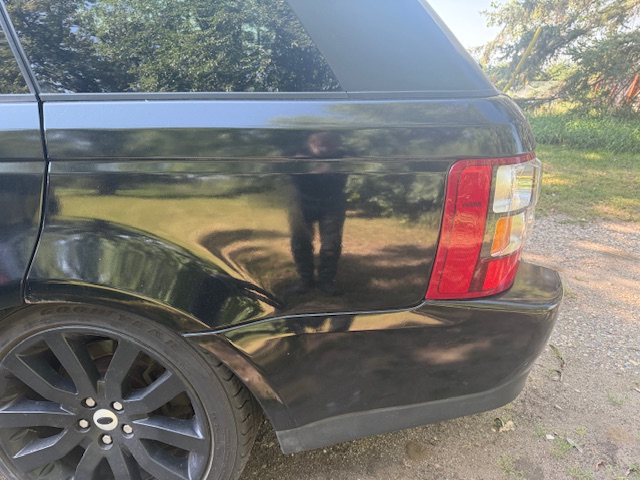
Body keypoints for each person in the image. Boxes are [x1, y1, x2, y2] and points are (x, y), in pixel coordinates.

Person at [288, 132, 348, 296]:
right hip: (302, 202)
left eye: (330, 144)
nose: (325, 148)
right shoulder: (295, 153)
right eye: (320, 144)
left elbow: (358, 160)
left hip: (333, 203)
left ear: (336, 144)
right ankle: (305, 280)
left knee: (331, 244)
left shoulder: (344, 156)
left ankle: (326, 281)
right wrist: (302, 162)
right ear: (311, 143)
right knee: (301, 242)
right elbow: (278, 165)